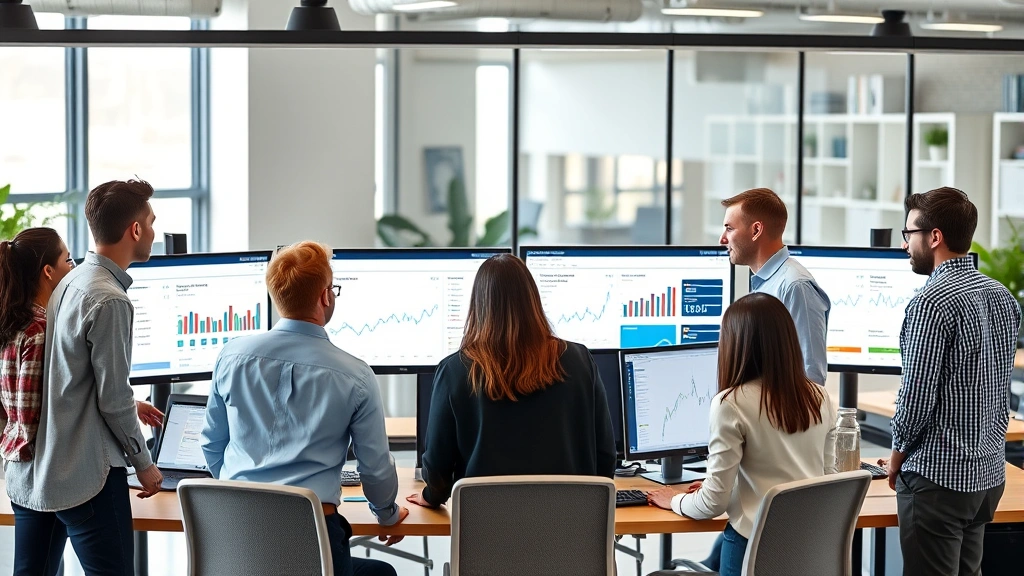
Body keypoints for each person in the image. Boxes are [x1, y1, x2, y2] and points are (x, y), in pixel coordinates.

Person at [201, 241, 408, 576]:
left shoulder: (231, 356)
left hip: (237, 535)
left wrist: (236, 498)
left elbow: (211, 444)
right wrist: (387, 514)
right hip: (313, 539)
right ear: (326, 296)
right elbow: (374, 470)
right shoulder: (355, 375)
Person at [3, 180, 165, 576]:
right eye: (152, 221)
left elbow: (63, 377)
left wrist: (130, 404)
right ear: (136, 230)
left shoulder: (69, 283)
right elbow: (112, 398)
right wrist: (144, 463)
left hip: (35, 475)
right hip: (85, 477)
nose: (155, 231)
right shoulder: (110, 298)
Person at [878, 187, 1020, 576]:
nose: (905, 244)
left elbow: (916, 398)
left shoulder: (931, 302)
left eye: (909, 234)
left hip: (939, 480)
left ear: (934, 237)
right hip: (986, 476)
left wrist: (896, 457)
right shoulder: (1001, 296)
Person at [648, 293, 838, 576]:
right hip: (807, 549)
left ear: (736, 345)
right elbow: (826, 478)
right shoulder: (819, 397)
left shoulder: (731, 404)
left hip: (753, 549)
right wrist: (727, 484)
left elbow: (712, 505)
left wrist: (673, 499)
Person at [406, 253, 616, 509]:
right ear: (532, 300)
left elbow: (438, 468)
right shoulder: (580, 360)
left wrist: (432, 496)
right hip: (571, 532)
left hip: (486, 537)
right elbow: (605, 455)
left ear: (478, 305)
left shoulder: (455, 370)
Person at [0, 228, 75, 576]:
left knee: (35, 567)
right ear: (49, 272)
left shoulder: (13, 322)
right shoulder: (42, 330)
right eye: (68, 260)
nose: (73, 268)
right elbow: (33, 415)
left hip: (17, 469)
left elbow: (12, 407)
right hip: (40, 469)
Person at [719, 188, 830, 386]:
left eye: (729, 228)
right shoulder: (766, 283)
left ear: (756, 231)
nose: (722, 239)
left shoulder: (795, 287)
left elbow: (811, 377)